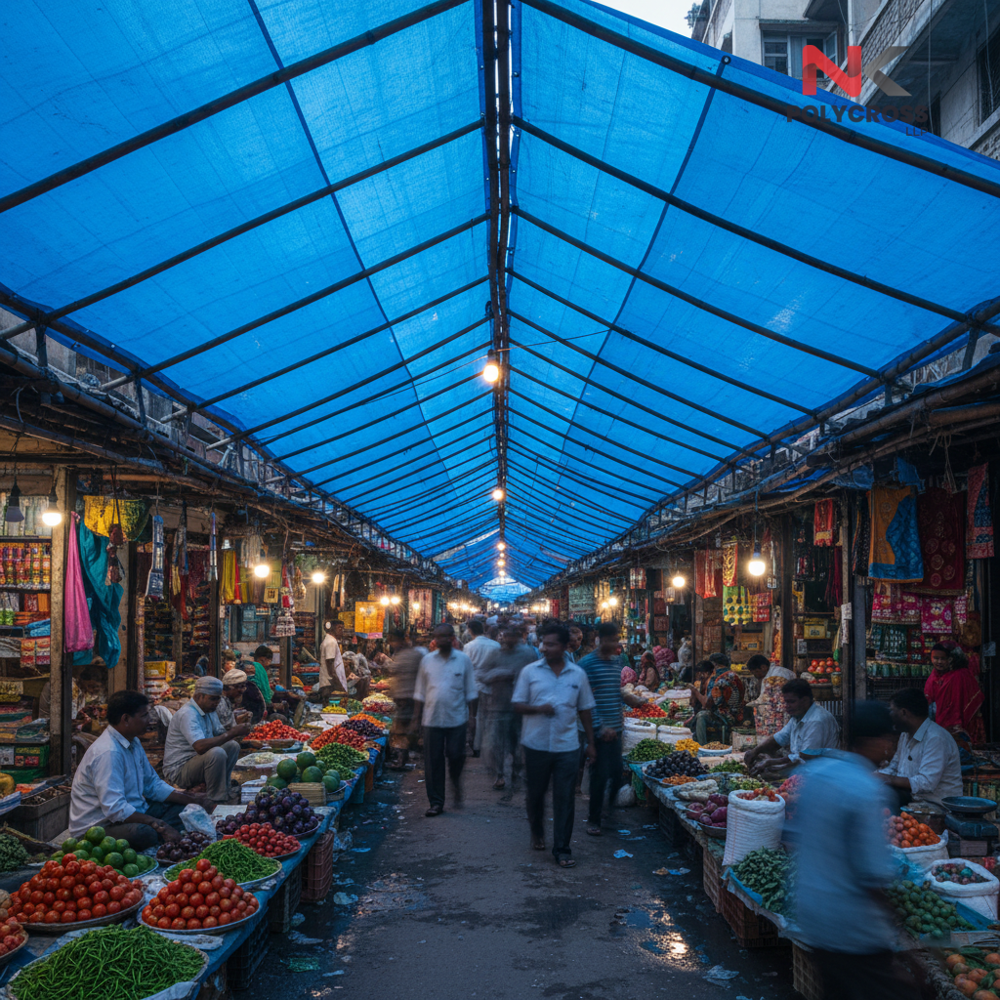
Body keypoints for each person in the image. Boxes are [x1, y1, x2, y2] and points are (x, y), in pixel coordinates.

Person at [792, 700, 912, 1000]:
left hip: (814, 918)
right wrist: (896, 924)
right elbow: (872, 874)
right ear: (877, 741)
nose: (891, 748)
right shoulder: (868, 790)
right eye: (889, 741)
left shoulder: (816, 773)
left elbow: (797, 837)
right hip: (853, 930)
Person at [70, 690, 215, 848]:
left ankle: (162, 835)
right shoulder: (108, 752)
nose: (150, 720)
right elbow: (116, 809)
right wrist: (158, 824)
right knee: (145, 833)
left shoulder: (133, 742)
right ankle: (160, 836)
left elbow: (152, 784)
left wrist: (191, 799)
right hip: (100, 827)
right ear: (126, 719)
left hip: (135, 811)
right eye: (145, 715)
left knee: (185, 810)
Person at [513, 622, 597, 868]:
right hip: (536, 744)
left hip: (567, 746)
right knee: (536, 794)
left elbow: (585, 709)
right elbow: (517, 704)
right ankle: (537, 829)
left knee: (564, 798)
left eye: (550, 644)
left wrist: (590, 743)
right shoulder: (530, 672)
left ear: (563, 646)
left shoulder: (578, 675)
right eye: (543, 643)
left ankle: (562, 848)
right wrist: (538, 709)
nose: (544, 648)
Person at [580, 623, 643, 836]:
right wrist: (599, 726)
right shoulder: (587, 664)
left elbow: (616, 692)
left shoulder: (617, 663)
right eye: (611, 640)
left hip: (617, 728)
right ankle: (594, 819)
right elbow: (584, 700)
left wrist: (632, 699)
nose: (615, 644)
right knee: (599, 776)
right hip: (598, 731)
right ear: (600, 639)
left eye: (617, 640)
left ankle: (607, 811)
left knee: (617, 774)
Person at [413, 624, 477, 816]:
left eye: (444, 637)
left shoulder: (463, 660)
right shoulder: (427, 661)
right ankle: (436, 802)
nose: (441, 640)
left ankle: (456, 783)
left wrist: (473, 717)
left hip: (457, 718)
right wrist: (416, 719)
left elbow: (471, 691)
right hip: (432, 719)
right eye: (437, 637)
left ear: (452, 638)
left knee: (456, 755)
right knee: (433, 762)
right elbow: (420, 692)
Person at [163, 676, 251, 803]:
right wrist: (232, 732)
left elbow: (221, 734)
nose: (216, 702)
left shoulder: (209, 710)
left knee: (232, 746)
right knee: (216, 753)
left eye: (218, 699)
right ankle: (215, 799)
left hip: (197, 763)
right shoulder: (188, 714)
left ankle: (224, 788)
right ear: (199, 696)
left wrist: (236, 729)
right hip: (179, 770)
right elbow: (200, 747)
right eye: (212, 699)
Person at [878, 687, 963, 805]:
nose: (890, 715)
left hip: (937, 807)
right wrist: (875, 776)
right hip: (913, 801)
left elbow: (926, 783)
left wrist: (886, 778)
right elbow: (895, 767)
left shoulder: (936, 738)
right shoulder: (905, 735)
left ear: (903, 712)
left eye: (892, 710)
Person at [480, 625, 536, 790]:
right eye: (507, 636)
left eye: (513, 636)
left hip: (521, 707)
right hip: (498, 706)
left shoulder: (528, 654)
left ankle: (516, 771)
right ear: (503, 637)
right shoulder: (495, 654)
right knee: (497, 743)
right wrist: (497, 675)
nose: (509, 640)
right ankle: (499, 774)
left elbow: (536, 675)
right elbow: (481, 673)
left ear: (518, 637)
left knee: (518, 743)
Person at [745, 679, 840, 776]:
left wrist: (773, 764)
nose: (787, 706)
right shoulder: (798, 716)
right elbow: (779, 739)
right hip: (804, 772)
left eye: (791, 702)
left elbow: (806, 758)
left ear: (805, 701)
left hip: (820, 775)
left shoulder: (816, 720)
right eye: (786, 702)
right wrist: (754, 751)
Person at [925, 642, 985, 747]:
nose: (939, 662)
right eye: (935, 658)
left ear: (953, 659)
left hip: (960, 723)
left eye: (943, 659)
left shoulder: (960, 675)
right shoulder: (934, 675)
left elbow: (956, 705)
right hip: (939, 721)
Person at [690, 652, 746, 745]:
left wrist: (695, 691)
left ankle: (702, 746)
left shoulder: (717, 679)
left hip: (725, 717)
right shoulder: (736, 676)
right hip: (739, 714)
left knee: (701, 716)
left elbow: (708, 704)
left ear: (714, 664)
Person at [463, 619, 500, 758]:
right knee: (489, 716)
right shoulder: (495, 645)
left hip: (474, 685)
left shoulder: (469, 647)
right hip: (491, 685)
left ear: (470, 630)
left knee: (473, 715)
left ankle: (475, 746)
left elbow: (466, 667)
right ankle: (488, 744)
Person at [387, 631, 423, 770]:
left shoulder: (410, 655)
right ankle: (405, 756)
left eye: (393, 641)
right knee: (405, 728)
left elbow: (393, 671)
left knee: (401, 730)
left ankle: (401, 760)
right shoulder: (409, 655)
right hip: (406, 698)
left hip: (408, 698)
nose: (392, 645)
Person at [310, 620, 349, 704]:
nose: (342, 631)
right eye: (339, 628)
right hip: (330, 685)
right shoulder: (331, 642)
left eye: (343, 628)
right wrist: (339, 686)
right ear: (332, 629)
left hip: (329, 684)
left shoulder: (330, 641)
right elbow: (330, 667)